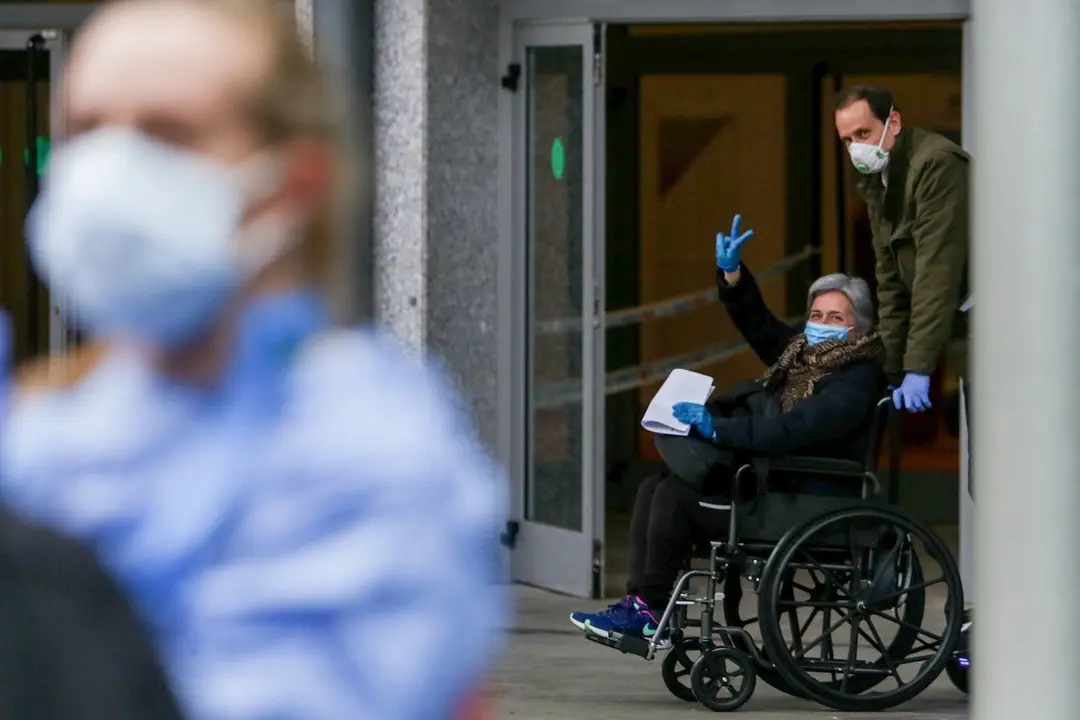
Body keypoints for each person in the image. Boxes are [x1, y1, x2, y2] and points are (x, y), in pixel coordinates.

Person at [0, 2, 506, 719]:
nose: (109, 169)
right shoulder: (47, 425)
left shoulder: (368, 458)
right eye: (86, 129)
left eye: (167, 133)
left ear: (291, 184)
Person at [569, 215, 887, 640]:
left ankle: (651, 609)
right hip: (774, 481)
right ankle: (643, 605)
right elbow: (759, 324)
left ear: (857, 327)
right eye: (815, 314)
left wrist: (719, 430)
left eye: (834, 317)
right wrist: (733, 274)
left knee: (676, 497)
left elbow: (797, 430)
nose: (820, 324)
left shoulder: (857, 376)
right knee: (652, 485)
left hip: (806, 494)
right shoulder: (801, 355)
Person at [833, 85, 970, 414]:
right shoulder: (878, 180)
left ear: (893, 123)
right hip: (960, 324)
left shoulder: (936, 165)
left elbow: (937, 273)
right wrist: (891, 369)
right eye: (848, 140)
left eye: (864, 133)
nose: (856, 148)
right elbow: (891, 280)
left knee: (999, 450)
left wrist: (918, 368)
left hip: (996, 322)